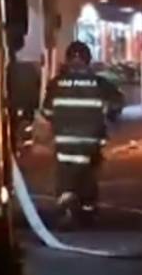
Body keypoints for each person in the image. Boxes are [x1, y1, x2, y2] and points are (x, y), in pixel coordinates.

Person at [41, 41, 122, 227]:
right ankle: (87, 211)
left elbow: (47, 113)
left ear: (67, 60)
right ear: (88, 60)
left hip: (64, 142)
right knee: (87, 174)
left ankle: (66, 204)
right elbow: (116, 106)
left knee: (64, 173)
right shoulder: (100, 84)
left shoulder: (55, 84)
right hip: (90, 143)